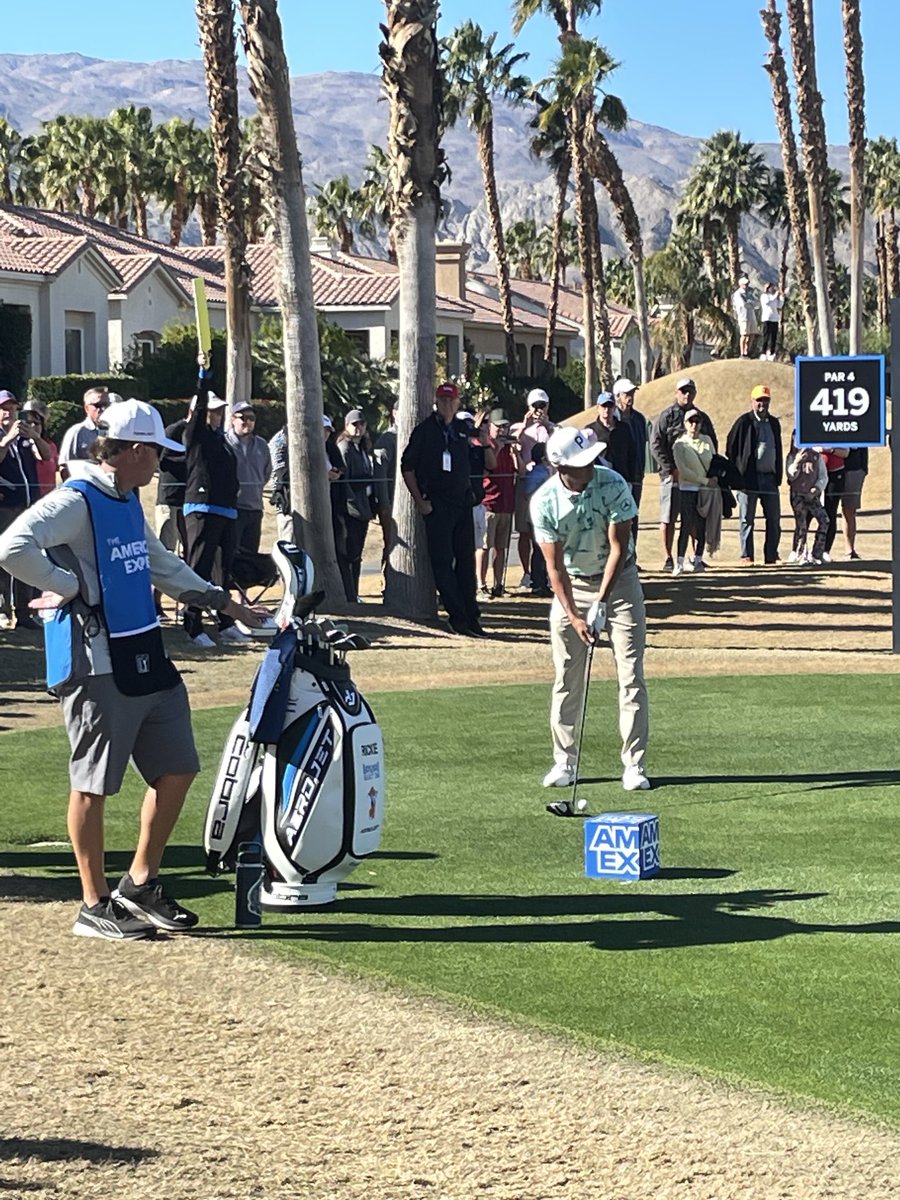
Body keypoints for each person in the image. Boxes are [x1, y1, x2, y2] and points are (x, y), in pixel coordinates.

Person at [0, 398, 264, 940]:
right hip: (96, 662)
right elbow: (12, 546)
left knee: (178, 767)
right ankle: (94, 904)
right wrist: (72, 587)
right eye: (157, 454)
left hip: (144, 652)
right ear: (136, 451)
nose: (161, 465)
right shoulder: (78, 498)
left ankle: (139, 882)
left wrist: (224, 602)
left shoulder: (124, 499)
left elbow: (159, 565)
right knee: (92, 784)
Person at [531, 424, 650, 807]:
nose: (589, 466)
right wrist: (576, 615)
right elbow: (554, 570)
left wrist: (600, 602)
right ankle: (564, 762)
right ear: (559, 466)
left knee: (630, 674)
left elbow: (619, 548)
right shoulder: (544, 501)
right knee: (567, 676)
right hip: (573, 586)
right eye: (580, 463)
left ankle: (634, 765)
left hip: (622, 583)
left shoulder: (613, 484)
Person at [400, 381, 483, 637]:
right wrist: (420, 502)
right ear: (436, 402)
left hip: (462, 504)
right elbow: (407, 467)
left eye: (452, 401)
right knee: (443, 562)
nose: (447, 405)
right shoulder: (425, 431)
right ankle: (457, 617)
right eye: (443, 400)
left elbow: (476, 463)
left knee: (466, 561)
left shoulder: (461, 430)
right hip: (437, 505)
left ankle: (472, 617)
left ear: (458, 403)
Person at [182, 372, 241, 647]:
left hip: (225, 511)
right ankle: (192, 623)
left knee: (222, 572)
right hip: (202, 508)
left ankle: (225, 621)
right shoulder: (195, 436)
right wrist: (204, 379)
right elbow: (199, 409)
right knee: (199, 569)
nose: (217, 415)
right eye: (212, 411)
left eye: (220, 412)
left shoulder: (221, 440)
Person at [650, 378, 717, 571]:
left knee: (696, 518)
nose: (686, 395)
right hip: (671, 476)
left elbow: (712, 443)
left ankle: (695, 557)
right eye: (683, 391)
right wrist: (671, 468)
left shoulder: (700, 417)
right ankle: (669, 558)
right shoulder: (667, 416)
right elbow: (656, 444)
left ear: (694, 393)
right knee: (669, 517)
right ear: (676, 392)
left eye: (690, 391)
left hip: (697, 479)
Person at [725, 385, 783, 565]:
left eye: (765, 400)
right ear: (752, 401)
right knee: (747, 519)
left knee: (774, 518)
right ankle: (746, 555)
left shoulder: (774, 423)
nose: (762, 404)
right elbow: (730, 447)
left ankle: (771, 555)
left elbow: (778, 448)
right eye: (759, 400)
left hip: (769, 478)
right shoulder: (743, 422)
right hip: (748, 479)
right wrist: (739, 470)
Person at [0, 390, 43, 629]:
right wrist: (6, 441)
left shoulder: (25, 437)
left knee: (26, 557)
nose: (9, 413)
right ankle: (3, 610)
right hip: (5, 507)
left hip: (27, 507)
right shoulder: (3, 437)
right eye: (4, 409)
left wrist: (35, 437)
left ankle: (25, 613)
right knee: (4, 560)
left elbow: (46, 456)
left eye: (13, 408)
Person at [510, 388, 553, 588]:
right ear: (528, 407)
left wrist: (548, 427)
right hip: (524, 485)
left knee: (544, 532)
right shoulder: (518, 428)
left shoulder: (553, 428)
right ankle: (527, 573)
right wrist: (524, 427)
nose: (538, 410)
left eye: (542, 405)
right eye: (535, 406)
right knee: (524, 532)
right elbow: (513, 446)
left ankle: (543, 573)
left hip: (547, 486)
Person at [334, 409, 376, 603]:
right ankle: (349, 595)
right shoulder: (345, 447)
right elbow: (345, 482)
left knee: (357, 555)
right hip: (351, 510)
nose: (359, 428)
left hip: (364, 507)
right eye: (354, 424)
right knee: (349, 554)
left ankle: (355, 593)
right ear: (347, 426)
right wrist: (352, 507)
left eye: (362, 424)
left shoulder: (362, 447)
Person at [478, 408, 518, 598]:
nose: (503, 431)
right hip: (489, 504)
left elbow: (521, 472)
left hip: (506, 504)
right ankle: (481, 585)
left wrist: (515, 453)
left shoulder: (510, 448)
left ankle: (498, 584)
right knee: (485, 547)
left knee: (501, 548)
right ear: (490, 427)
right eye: (499, 427)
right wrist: (497, 448)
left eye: (506, 427)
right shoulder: (485, 446)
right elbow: (486, 470)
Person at [225, 400, 272, 556]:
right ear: (233, 419)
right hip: (232, 508)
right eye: (243, 417)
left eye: (251, 418)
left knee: (250, 555)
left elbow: (266, 473)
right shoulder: (224, 443)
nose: (248, 422)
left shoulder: (262, 445)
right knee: (231, 553)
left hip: (255, 509)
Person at [672, 410, 714, 575]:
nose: (694, 425)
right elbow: (683, 470)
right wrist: (704, 480)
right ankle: (680, 562)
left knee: (702, 525)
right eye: (691, 422)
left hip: (705, 491)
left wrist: (712, 480)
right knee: (686, 524)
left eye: (697, 422)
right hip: (687, 489)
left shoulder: (707, 440)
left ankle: (698, 559)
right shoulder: (679, 444)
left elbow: (713, 460)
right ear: (685, 424)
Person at [612, 377, 649, 548]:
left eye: (632, 393)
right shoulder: (612, 420)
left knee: (633, 515)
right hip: (616, 477)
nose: (630, 397)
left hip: (636, 475)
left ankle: (632, 556)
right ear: (617, 396)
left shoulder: (639, 419)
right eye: (626, 394)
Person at [786, 435, 829, 565]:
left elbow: (823, 476)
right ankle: (800, 553)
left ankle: (817, 553)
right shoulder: (791, 457)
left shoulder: (816, 456)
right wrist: (797, 462)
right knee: (801, 525)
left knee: (824, 520)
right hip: (798, 496)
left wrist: (817, 488)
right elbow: (791, 476)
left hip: (812, 496)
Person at [58, 387, 111, 480]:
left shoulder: (116, 431)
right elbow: (65, 467)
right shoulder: (77, 432)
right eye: (98, 405)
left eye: (106, 405)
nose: (103, 409)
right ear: (87, 408)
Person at [373, 399, 399, 573]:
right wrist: (384, 505)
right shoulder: (387, 439)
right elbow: (379, 474)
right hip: (391, 502)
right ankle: (386, 581)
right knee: (391, 543)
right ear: (394, 413)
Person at [591, 392, 635, 482]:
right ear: (598, 408)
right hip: (599, 481)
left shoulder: (624, 428)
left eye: (610, 406)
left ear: (614, 408)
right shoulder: (590, 431)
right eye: (604, 406)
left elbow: (632, 454)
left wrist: (632, 478)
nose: (607, 410)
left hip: (622, 479)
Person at [19, 401, 59, 498]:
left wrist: (36, 438)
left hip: (49, 499)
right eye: (28, 422)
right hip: (27, 498)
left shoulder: (51, 445)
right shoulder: (18, 445)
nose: (32, 426)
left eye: (36, 422)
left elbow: (47, 457)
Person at [819, 445, 849, 563]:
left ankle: (825, 550)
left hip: (835, 472)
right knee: (808, 513)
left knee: (830, 513)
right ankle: (801, 550)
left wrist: (830, 450)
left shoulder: (838, 431)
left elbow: (845, 452)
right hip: (814, 471)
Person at [841, 447, 868, 559]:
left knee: (849, 511)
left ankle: (849, 549)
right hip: (830, 465)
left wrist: (863, 468)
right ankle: (822, 550)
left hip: (854, 468)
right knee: (827, 511)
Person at [732, 275, 759, 358]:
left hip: (752, 316)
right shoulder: (738, 294)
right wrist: (750, 303)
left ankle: (747, 351)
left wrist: (750, 303)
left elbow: (756, 303)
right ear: (741, 284)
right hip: (744, 317)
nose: (746, 285)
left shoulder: (749, 294)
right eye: (745, 284)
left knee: (752, 334)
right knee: (744, 334)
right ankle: (742, 352)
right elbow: (743, 304)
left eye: (747, 284)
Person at [759, 282, 785, 361]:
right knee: (766, 336)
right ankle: (763, 353)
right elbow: (768, 302)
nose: (772, 289)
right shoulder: (764, 296)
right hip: (767, 319)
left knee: (773, 337)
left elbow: (779, 305)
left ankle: (772, 353)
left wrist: (782, 297)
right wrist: (776, 295)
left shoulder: (773, 297)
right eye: (771, 287)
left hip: (775, 319)